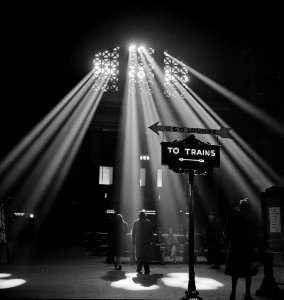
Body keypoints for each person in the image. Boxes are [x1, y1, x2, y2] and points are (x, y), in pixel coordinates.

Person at [224, 198, 258, 300]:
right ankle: (247, 294)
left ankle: (233, 294)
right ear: (248, 209)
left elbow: (225, 232)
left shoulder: (232, 217)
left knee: (235, 272)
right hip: (247, 248)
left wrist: (233, 239)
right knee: (248, 273)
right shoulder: (249, 220)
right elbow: (253, 235)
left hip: (235, 247)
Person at [132, 210, 153, 274]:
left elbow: (133, 233)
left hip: (138, 242)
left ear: (139, 216)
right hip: (146, 242)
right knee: (146, 256)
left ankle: (139, 269)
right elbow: (151, 233)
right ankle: (147, 269)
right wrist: (150, 240)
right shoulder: (148, 222)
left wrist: (133, 241)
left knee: (139, 256)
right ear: (144, 216)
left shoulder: (136, 222)